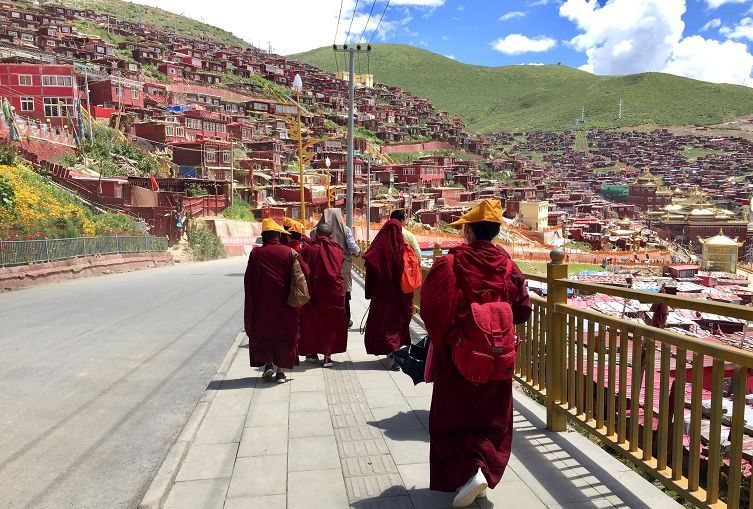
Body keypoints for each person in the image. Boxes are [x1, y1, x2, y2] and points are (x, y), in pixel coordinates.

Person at [420, 199, 531, 507]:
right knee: (491, 418)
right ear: (495, 232)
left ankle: (469, 473)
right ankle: (480, 470)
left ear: (468, 231)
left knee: (453, 418)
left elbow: (432, 310)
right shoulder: (508, 266)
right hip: (497, 359)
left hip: (458, 358)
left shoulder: (450, 264)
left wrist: (451, 338)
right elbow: (523, 310)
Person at [244, 218, 303, 384]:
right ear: (278, 235)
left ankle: (268, 364)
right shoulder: (289, 253)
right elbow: (303, 273)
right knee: (284, 337)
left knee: (265, 334)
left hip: (262, 306)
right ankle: (281, 373)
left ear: (264, 236)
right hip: (285, 304)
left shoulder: (256, 254)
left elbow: (248, 282)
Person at [362, 217, 414, 367]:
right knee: (396, 323)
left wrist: (369, 292)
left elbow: (370, 269)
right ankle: (395, 351)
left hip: (381, 296)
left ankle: (392, 351)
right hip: (400, 295)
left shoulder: (377, 249)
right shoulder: (403, 249)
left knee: (384, 324)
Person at [298, 223, 347, 367]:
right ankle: (327, 356)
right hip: (333, 293)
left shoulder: (308, 250)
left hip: (313, 293)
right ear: (330, 236)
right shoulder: (337, 249)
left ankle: (312, 353)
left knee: (312, 322)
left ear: (317, 234)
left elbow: (303, 269)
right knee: (331, 324)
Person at [311, 208, 361, 327]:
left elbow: (312, 238)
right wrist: (358, 252)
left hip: (323, 265)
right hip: (342, 265)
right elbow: (353, 246)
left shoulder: (317, 231)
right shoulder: (346, 229)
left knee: (325, 292)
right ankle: (346, 319)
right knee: (344, 292)